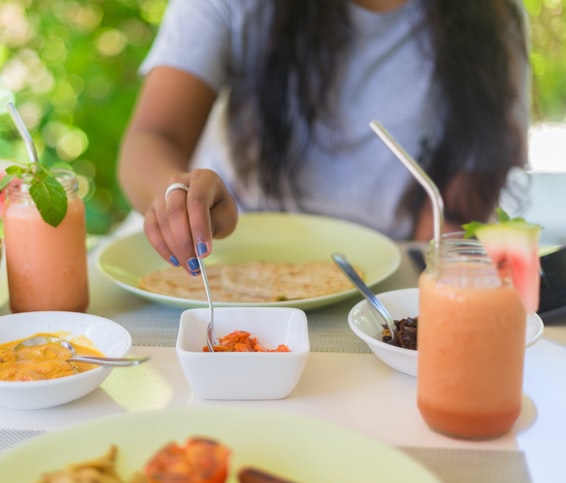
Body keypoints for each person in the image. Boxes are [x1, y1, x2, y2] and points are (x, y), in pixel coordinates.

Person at [118, 0, 530, 276]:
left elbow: (451, 220)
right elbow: (153, 137)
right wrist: (177, 198)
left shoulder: (491, 17)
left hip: (384, 283)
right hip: (224, 261)